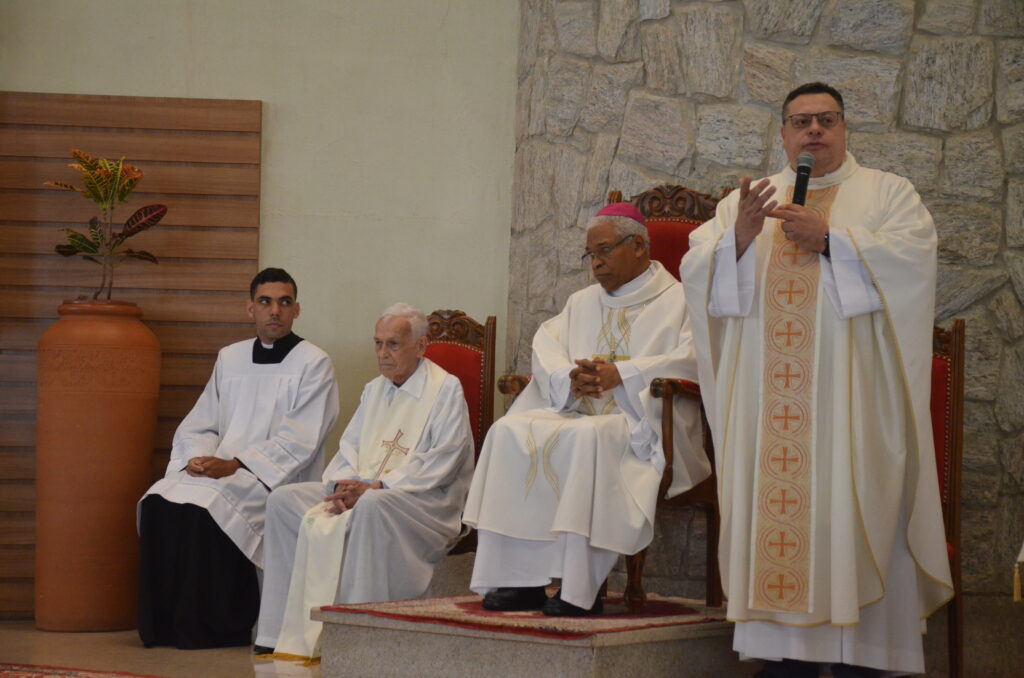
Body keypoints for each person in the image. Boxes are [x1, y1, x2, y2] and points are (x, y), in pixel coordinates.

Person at [679, 82, 953, 677]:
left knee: (853, 513)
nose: (814, 132)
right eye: (800, 122)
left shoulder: (887, 193)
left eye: (826, 120)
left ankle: (864, 659)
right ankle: (784, 658)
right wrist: (740, 238)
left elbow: (913, 261)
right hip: (767, 411)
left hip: (852, 401)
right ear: (782, 133)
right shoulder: (744, 201)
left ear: (845, 128)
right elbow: (698, 275)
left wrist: (831, 240)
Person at [463, 203, 709, 617]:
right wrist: (567, 380)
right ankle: (521, 582)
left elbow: (694, 360)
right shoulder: (581, 302)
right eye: (590, 254)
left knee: (589, 439)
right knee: (508, 431)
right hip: (577, 412)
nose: (595, 264)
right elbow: (548, 347)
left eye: (604, 251)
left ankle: (580, 590)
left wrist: (624, 375)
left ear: (638, 246)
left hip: (639, 424)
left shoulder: (680, 301)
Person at [254, 303, 474, 658]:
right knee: (283, 500)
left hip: (424, 501)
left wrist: (380, 486)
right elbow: (350, 447)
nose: (382, 354)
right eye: (377, 343)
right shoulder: (374, 389)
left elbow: (445, 458)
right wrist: (343, 485)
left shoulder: (445, 389)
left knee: (372, 505)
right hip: (365, 491)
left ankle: (357, 631)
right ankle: (279, 629)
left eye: (393, 345)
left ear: (420, 347)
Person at [137, 267, 339, 649]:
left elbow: (301, 439)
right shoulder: (229, 358)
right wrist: (197, 458)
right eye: (265, 302)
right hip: (221, 467)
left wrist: (236, 464)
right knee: (160, 499)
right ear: (250, 309)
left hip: (275, 477)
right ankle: (161, 627)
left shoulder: (314, 362)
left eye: (284, 302)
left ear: (297, 310)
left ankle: (212, 628)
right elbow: (202, 422)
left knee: (203, 508)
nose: (274, 311)